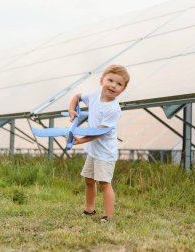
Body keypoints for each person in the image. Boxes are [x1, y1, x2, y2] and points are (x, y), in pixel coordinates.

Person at [68, 65, 129, 223]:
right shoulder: (94, 95)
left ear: (122, 90)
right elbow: (77, 97)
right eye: (110, 80)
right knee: (89, 180)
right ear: (101, 80)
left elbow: (99, 132)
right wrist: (71, 109)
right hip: (94, 151)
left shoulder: (113, 109)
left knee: (104, 183)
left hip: (105, 153)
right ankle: (89, 209)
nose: (113, 85)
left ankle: (108, 216)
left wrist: (80, 140)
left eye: (119, 84)